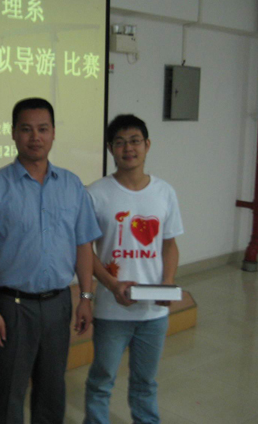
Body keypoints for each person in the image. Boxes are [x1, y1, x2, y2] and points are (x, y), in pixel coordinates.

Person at [0, 97, 102, 423]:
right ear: (13, 133)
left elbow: (83, 244)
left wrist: (86, 297)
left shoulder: (72, 185)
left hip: (59, 303)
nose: (35, 137)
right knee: (8, 394)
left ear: (53, 132)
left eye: (43, 129)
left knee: (52, 390)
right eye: (26, 129)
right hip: (11, 306)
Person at [84, 114, 184, 424]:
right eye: (120, 142)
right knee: (101, 380)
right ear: (110, 149)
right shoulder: (96, 193)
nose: (128, 148)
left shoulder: (165, 192)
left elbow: (169, 244)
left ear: (147, 145)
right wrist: (111, 284)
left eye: (135, 141)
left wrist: (168, 281)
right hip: (111, 308)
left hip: (153, 311)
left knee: (145, 382)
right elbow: (84, 250)